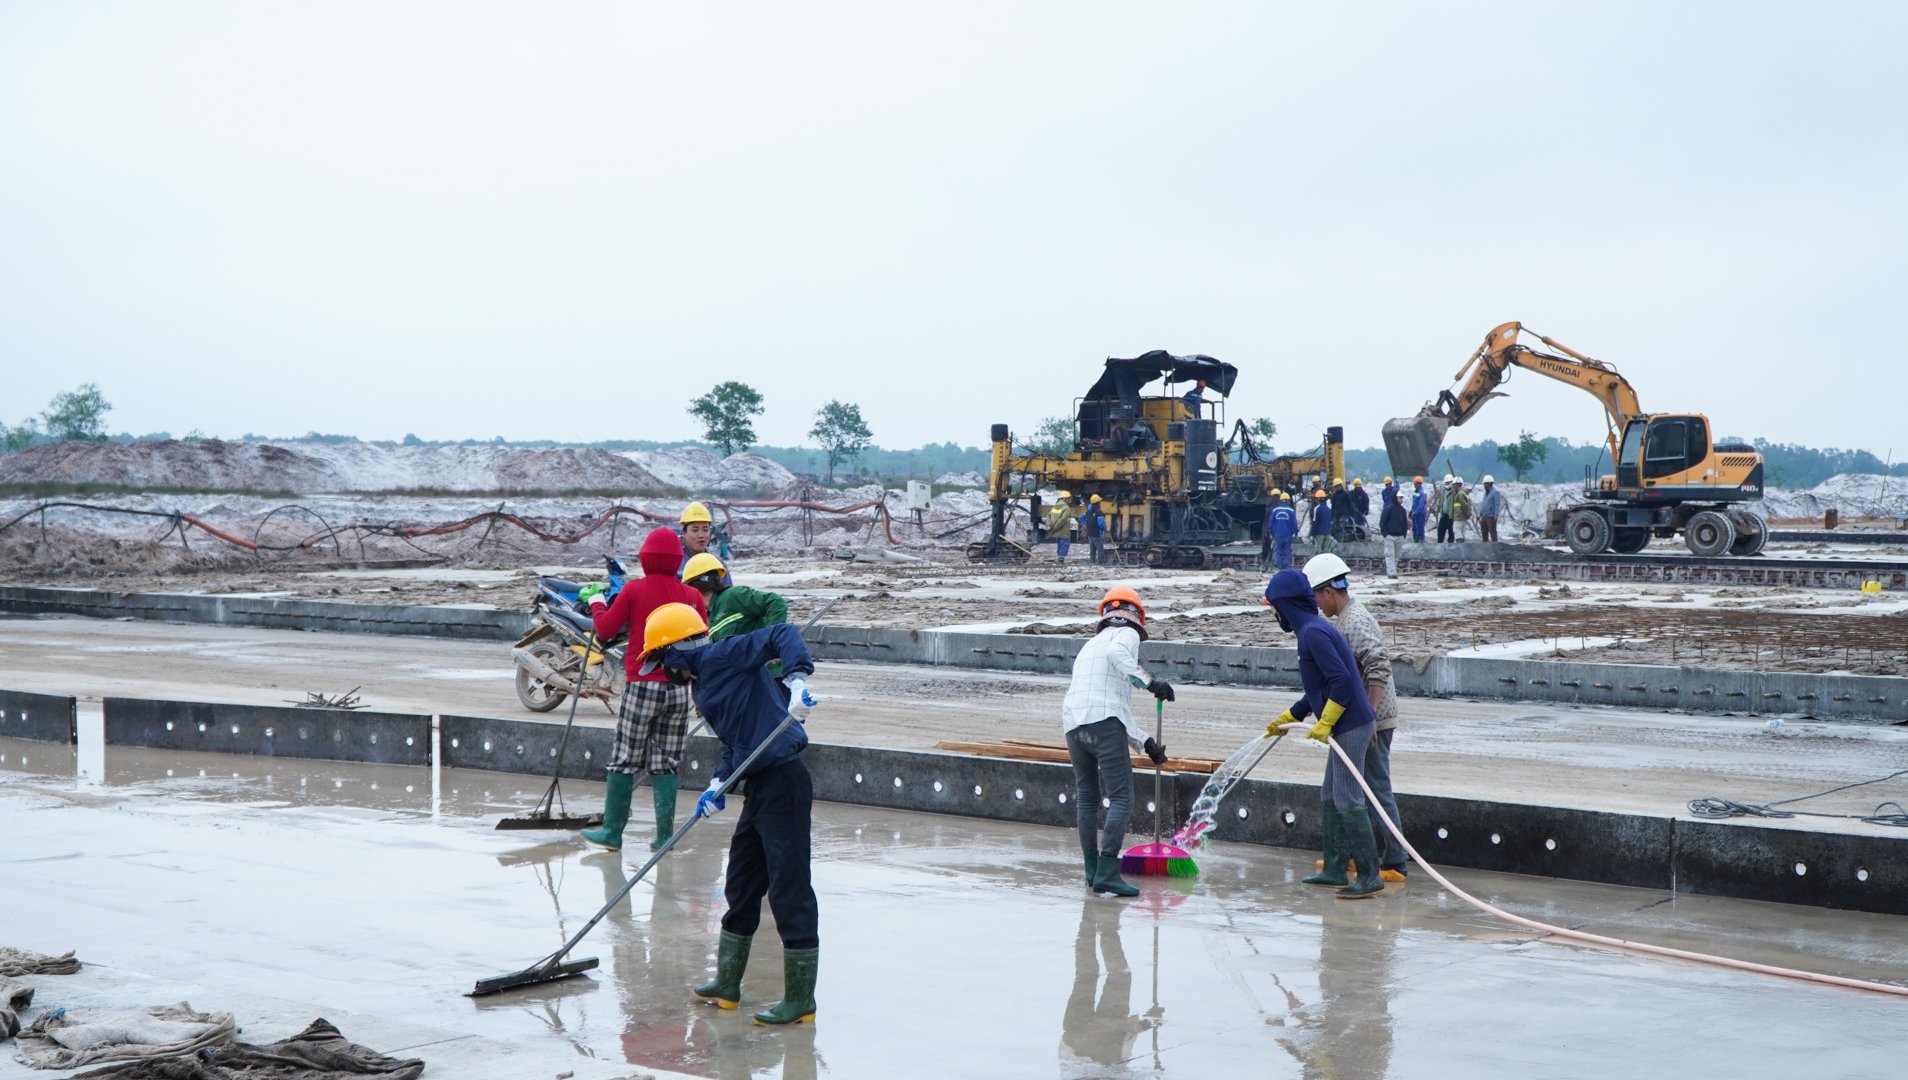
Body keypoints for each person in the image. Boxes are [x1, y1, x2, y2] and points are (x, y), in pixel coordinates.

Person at [637, 603, 821, 1026]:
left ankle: (800, 1000)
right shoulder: (700, 685)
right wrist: (717, 784)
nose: (665, 671)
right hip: (757, 786)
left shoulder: (723, 655)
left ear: (680, 647)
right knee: (740, 883)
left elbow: (782, 634)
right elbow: (735, 741)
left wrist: (795, 681)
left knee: (789, 890)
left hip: (785, 783)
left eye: (663, 660)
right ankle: (727, 983)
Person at [579, 528, 708, 852]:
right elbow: (702, 646)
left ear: (646, 558)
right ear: (678, 559)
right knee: (666, 763)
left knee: (624, 760)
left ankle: (612, 833)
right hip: (679, 690)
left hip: (642, 686)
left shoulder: (635, 590)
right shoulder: (691, 596)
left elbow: (606, 630)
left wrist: (595, 603)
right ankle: (664, 837)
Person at [1262, 569, 1383, 899]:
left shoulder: (1313, 633)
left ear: (1284, 606)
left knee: (1347, 797)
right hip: (1345, 722)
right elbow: (1320, 687)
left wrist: (1327, 720)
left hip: (1351, 724)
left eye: (1274, 608)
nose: (1276, 616)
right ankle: (1334, 868)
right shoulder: (1311, 631)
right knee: (1330, 794)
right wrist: (1292, 715)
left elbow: (1342, 682)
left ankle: (1370, 875)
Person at [1061, 587, 1173, 898]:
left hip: (1074, 725)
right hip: (1103, 724)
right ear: (1136, 616)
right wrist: (1152, 684)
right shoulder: (1126, 635)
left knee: (1087, 799)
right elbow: (1117, 661)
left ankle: (1092, 871)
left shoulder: (1089, 645)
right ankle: (1109, 872)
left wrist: (1146, 742)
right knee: (1122, 798)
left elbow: (1112, 702)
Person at [1304, 553, 1407, 883]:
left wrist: (1371, 719)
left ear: (1328, 592)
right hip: (1362, 719)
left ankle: (1395, 861)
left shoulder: (1355, 621)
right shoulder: (1346, 619)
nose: (1319, 607)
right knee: (1349, 787)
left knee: (1374, 787)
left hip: (1373, 720)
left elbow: (1379, 666)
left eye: (1318, 598)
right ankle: (1351, 856)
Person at [681, 553, 788, 641]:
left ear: (698, 584)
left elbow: (775, 602)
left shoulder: (733, 596)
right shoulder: (708, 618)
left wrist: (771, 641)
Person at [679, 503, 732, 586]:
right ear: (684, 533)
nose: (701, 535)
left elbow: (728, 596)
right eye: (695, 530)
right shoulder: (676, 562)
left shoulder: (718, 564)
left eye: (705, 529)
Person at [1378, 490, 1408, 578]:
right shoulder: (1388, 509)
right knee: (1390, 555)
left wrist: (1404, 535)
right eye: (1400, 497)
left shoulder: (1402, 510)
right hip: (1390, 536)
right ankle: (1391, 573)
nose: (1401, 499)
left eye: (1402, 497)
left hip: (1400, 537)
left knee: (1397, 556)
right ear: (1395, 497)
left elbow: (1405, 524)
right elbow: (1382, 523)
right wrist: (1385, 535)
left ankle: (1393, 571)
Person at [1267, 491, 1298, 570]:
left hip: (1277, 534)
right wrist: (1296, 532)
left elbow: (1270, 523)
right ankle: (1285, 566)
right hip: (1288, 534)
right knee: (1287, 549)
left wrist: (1270, 532)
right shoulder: (1291, 511)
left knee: (1278, 549)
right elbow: (1294, 523)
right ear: (1288, 500)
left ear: (1280, 501)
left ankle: (1278, 566)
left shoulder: (1275, 510)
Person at [1049, 493, 1077, 560]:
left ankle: (1060, 559)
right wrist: (1056, 527)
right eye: (1069, 498)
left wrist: (1051, 527)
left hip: (1057, 531)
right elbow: (1063, 519)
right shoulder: (1066, 508)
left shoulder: (1056, 506)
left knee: (1059, 545)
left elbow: (1049, 515)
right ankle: (1061, 561)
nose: (1071, 500)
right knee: (1064, 545)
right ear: (1065, 499)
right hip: (1063, 531)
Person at [1477, 475, 1503, 543]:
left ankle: (1495, 546)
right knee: (1484, 533)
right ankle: (1485, 547)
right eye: (1484, 484)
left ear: (1490, 483)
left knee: (1493, 532)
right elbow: (1483, 504)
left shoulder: (1495, 493)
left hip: (1491, 516)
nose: (1484, 485)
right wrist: (1480, 514)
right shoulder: (1485, 493)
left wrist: (1496, 515)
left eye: (1485, 484)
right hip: (1484, 516)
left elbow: (1497, 505)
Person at [1328, 479, 1354, 543]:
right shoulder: (1334, 495)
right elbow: (1333, 506)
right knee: (1334, 528)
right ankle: (1335, 541)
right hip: (1336, 515)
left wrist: (1350, 514)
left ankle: (1340, 542)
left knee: (1341, 528)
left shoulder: (1346, 494)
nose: (1337, 488)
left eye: (1338, 486)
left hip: (1343, 515)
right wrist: (1332, 515)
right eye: (1335, 487)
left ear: (1341, 486)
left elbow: (1350, 504)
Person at [1309, 489, 1334, 555]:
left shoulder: (1316, 508)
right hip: (1328, 533)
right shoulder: (1329, 509)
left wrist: (1312, 534)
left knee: (1318, 552)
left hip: (1319, 534)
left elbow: (1315, 522)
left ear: (1317, 499)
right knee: (1326, 552)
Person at [1435, 475, 1458, 543]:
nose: (1447, 484)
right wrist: (1437, 509)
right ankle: (1439, 545)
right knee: (1440, 531)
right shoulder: (1443, 491)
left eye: (1449, 482)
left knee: (1451, 532)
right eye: (1446, 482)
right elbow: (1440, 501)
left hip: (1451, 516)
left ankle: (1450, 546)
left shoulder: (1454, 492)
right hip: (1444, 515)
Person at [1086, 495, 1107, 566]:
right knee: (1100, 548)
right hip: (1096, 532)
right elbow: (1100, 523)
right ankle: (1101, 561)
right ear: (1097, 503)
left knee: (1092, 548)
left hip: (1089, 532)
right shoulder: (1098, 511)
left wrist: (1088, 524)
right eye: (1100, 502)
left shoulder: (1088, 511)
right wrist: (1105, 529)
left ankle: (1092, 561)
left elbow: (1081, 517)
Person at [1408, 476, 1429, 542]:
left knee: (1420, 529)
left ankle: (1421, 543)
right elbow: (1414, 503)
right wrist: (1411, 511)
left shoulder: (1422, 493)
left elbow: (1421, 505)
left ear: (1419, 483)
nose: (1414, 485)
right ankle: (1416, 542)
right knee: (1414, 529)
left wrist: (1415, 512)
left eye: (1415, 483)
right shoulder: (1415, 492)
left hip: (1420, 514)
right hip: (1415, 514)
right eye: (1414, 483)